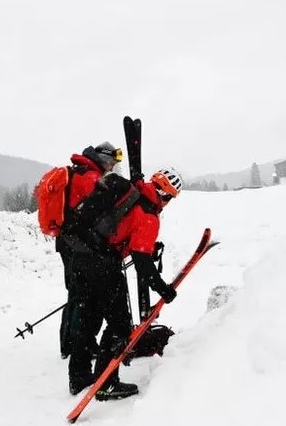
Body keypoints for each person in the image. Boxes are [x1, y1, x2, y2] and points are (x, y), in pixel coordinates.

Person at [65, 168, 181, 400]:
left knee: (89, 317)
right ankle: (107, 384)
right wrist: (164, 289)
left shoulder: (132, 191)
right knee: (119, 326)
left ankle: (78, 377)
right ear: (165, 195)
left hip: (80, 255)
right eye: (170, 198)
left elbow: (123, 231)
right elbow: (142, 263)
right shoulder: (149, 215)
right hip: (103, 266)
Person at [56, 143, 123, 359]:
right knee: (81, 296)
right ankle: (76, 345)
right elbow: (95, 210)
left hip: (68, 241)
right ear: (103, 159)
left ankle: (71, 343)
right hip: (76, 243)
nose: (112, 168)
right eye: (111, 163)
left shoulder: (79, 171)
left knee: (76, 293)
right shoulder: (90, 177)